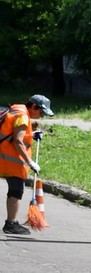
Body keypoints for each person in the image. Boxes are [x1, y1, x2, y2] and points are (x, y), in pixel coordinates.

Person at [1, 94, 53, 235]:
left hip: (6, 157)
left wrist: (32, 134)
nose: (41, 116)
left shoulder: (18, 109)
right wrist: (30, 162)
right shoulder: (23, 117)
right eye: (41, 112)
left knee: (15, 190)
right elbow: (18, 141)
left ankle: (11, 222)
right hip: (10, 160)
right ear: (34, 106)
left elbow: (12, 132)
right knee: (16, 190)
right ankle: (11, 224)